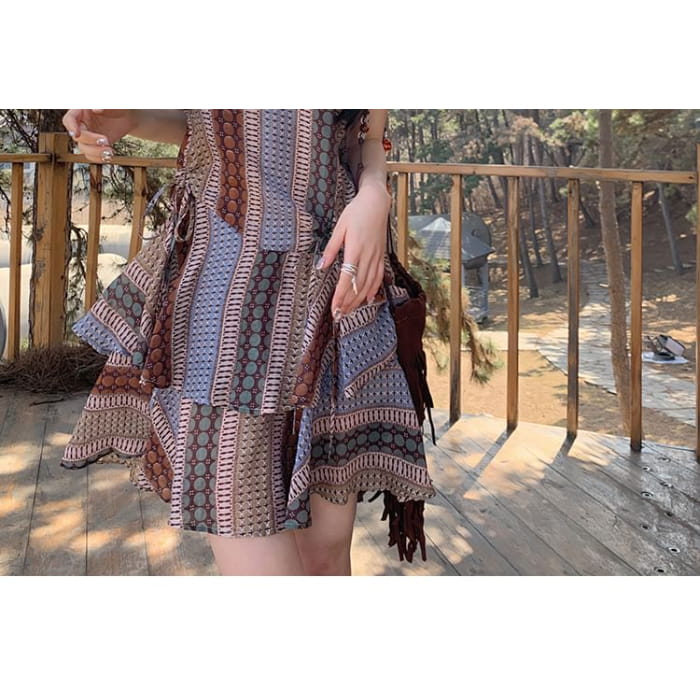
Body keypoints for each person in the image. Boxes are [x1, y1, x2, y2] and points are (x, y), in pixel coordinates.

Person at [60, 109, 435, 576]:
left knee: (326, 555)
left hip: (333, 298)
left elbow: (366, 136)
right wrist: (129, 117)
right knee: (253, 544)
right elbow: (202, 121)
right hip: (224, 313)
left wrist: (375, 193)